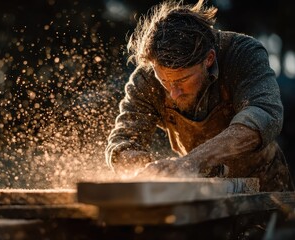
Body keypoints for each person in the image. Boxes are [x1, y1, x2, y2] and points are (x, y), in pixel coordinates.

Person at [105, 0, 294, 192]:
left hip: (266, 189)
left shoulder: (243, 53)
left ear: (209, 59)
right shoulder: (146, 78)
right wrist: (142, 171)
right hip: (202, 192)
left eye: (182, 80)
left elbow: (265, 114)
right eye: (165, 81)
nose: (173, 92)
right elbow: (124, 140)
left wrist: (193, 161)